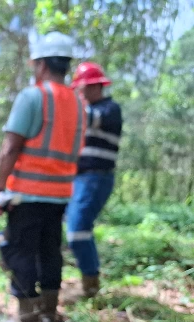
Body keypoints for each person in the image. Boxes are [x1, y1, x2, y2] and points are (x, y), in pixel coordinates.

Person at [0, 32, 87, 322]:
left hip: (27, 194)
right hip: (59, 195)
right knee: (49, 252)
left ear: (41, 64)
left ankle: (26, 317)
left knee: (21, 252)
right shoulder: (79, 103)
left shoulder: (33, 96)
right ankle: (49, 312)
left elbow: (9, 148)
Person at [66, 62, 123, 298]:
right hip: (79, 178)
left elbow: (85, 118)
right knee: (77, 229)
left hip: (96, 178)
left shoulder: (109, 109)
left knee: (78, 229)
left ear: (96, 86)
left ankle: (90, 287)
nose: (81, 93)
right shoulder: (87, 109)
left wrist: (65, 100)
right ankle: (89, 281)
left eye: (83, 88)